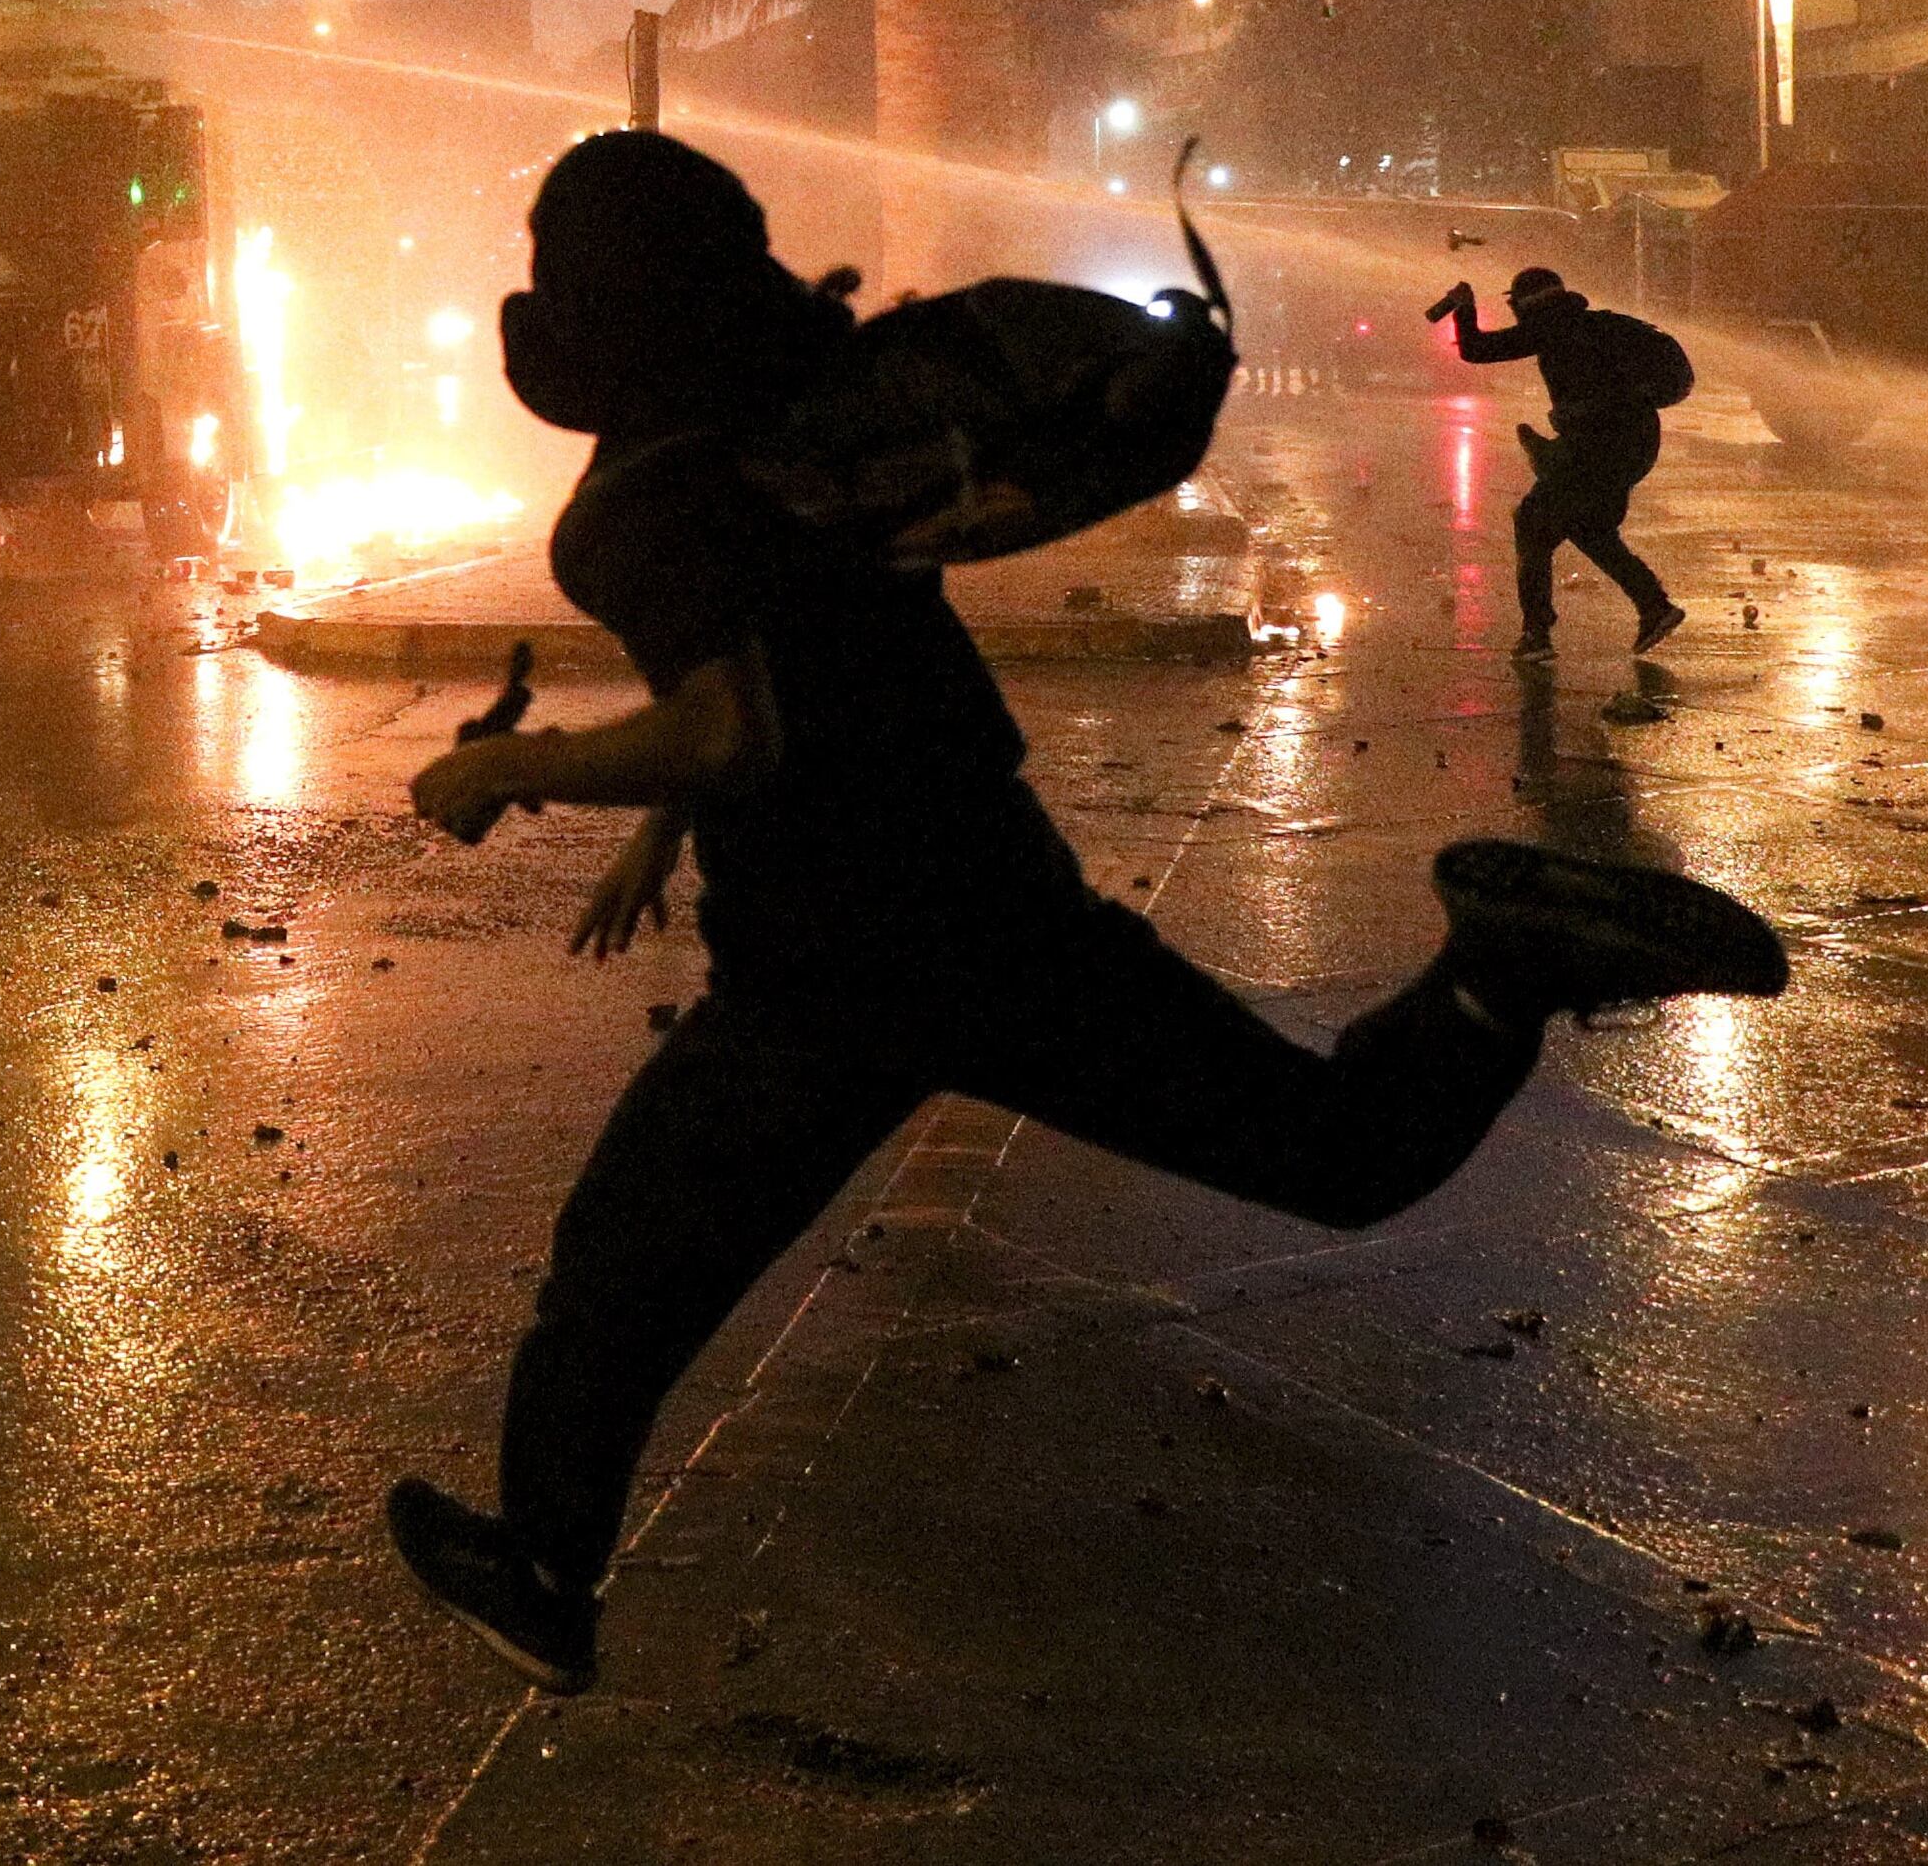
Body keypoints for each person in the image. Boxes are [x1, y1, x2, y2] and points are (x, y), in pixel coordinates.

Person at [382, 133, 1789, 1696]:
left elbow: (734, 721)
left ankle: (544, 1566)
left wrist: (515, 764)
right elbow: (790, 653)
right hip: (984, 899)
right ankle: (1499, 968)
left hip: (835, 962)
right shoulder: (800, 435)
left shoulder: (647, 503)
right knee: (1326, 1147)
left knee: (623, 1264)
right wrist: (665, 824)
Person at [1435, 263, 1688, 661]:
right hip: (1636, 443)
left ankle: (1537, 633)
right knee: (1589, 527)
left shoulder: (1551, 327)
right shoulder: (1594, 325)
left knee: (1532, 522)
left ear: (1526, 304)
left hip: (1595, 448)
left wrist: (1464, 308)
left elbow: (1476, 350)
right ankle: (1653, 605)